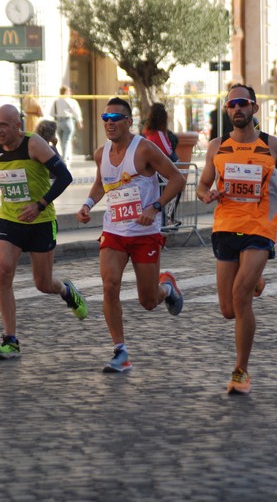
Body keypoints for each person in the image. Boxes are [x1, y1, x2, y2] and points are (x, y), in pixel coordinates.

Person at [197, 83, 277, 395]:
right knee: (228, 310)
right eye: (231, 105)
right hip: (225, 227)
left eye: (242, 103)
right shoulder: (217, 146)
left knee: (241, 298)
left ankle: (240, 371)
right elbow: (202, 185)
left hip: (260, 228)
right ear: (227, 110)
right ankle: (255, 281)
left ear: (254, 108)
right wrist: (206, 195)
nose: (237, 109)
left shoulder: (274, 145)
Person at [76, 97, 186, 373]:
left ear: (129, 122)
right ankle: (120, 351)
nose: (109, 123)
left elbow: (177, 179)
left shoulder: (144, 149)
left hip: (144, 233)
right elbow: (101, 183)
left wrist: (155, 207)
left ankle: (167, 288)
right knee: (109, 286)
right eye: (105, 118)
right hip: (114, 229)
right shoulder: (101, 153)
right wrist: (88, 204)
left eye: (115, 119)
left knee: (148, 301)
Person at [0, 104, 88, 360]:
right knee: (3, 272)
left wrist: (40, 205)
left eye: (4, 125)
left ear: (18, 126)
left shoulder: (34, 145)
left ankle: (66, 291)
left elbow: (64, 177)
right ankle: (11, 339)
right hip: (9, 220)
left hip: (40, 221)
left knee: (43, 284)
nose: (0, 130)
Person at [142, 102, 182, 226]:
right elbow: (167, 150)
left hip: (154, 170)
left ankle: (165, 220)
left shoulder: (148, 132)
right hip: (162, 171)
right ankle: (167, 220)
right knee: (172, 192)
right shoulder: (159, 134)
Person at [50, 85, 83, 167]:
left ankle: (64, 158)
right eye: (69, 91)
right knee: (67, 141)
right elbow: (76, 112)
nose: (70, 92)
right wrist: (79, 121)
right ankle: (65, 160)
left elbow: (52, 113)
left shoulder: (56, 101)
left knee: (62, 142)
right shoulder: (71, 101)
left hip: (58, 121)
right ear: (66, 92)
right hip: (68, 121)